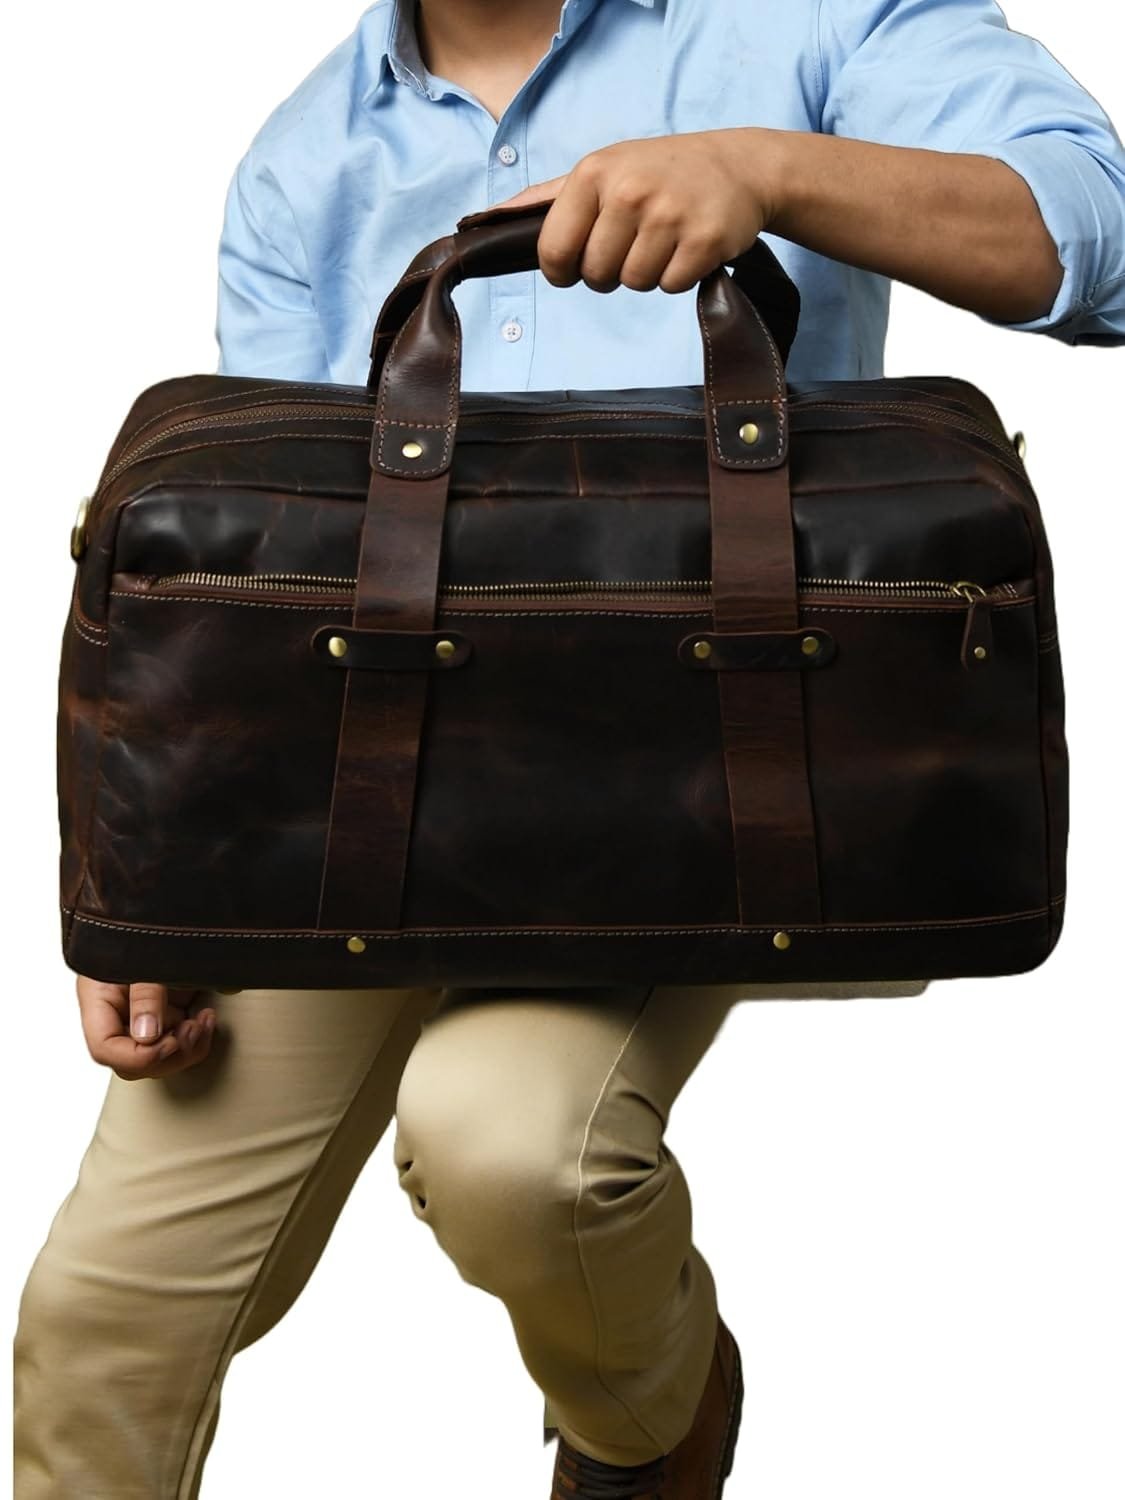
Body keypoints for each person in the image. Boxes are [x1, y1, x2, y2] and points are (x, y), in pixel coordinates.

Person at [13, 1, 1125, 1497]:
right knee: (100, 1318)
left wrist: (768, 173)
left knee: (511, 1146)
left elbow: (1098, 235)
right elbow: (277, 572)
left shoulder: (819, 19)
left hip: (700, 762)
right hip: (377, 780)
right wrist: (141, 881)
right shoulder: (304, 154)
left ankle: (648, 1426)